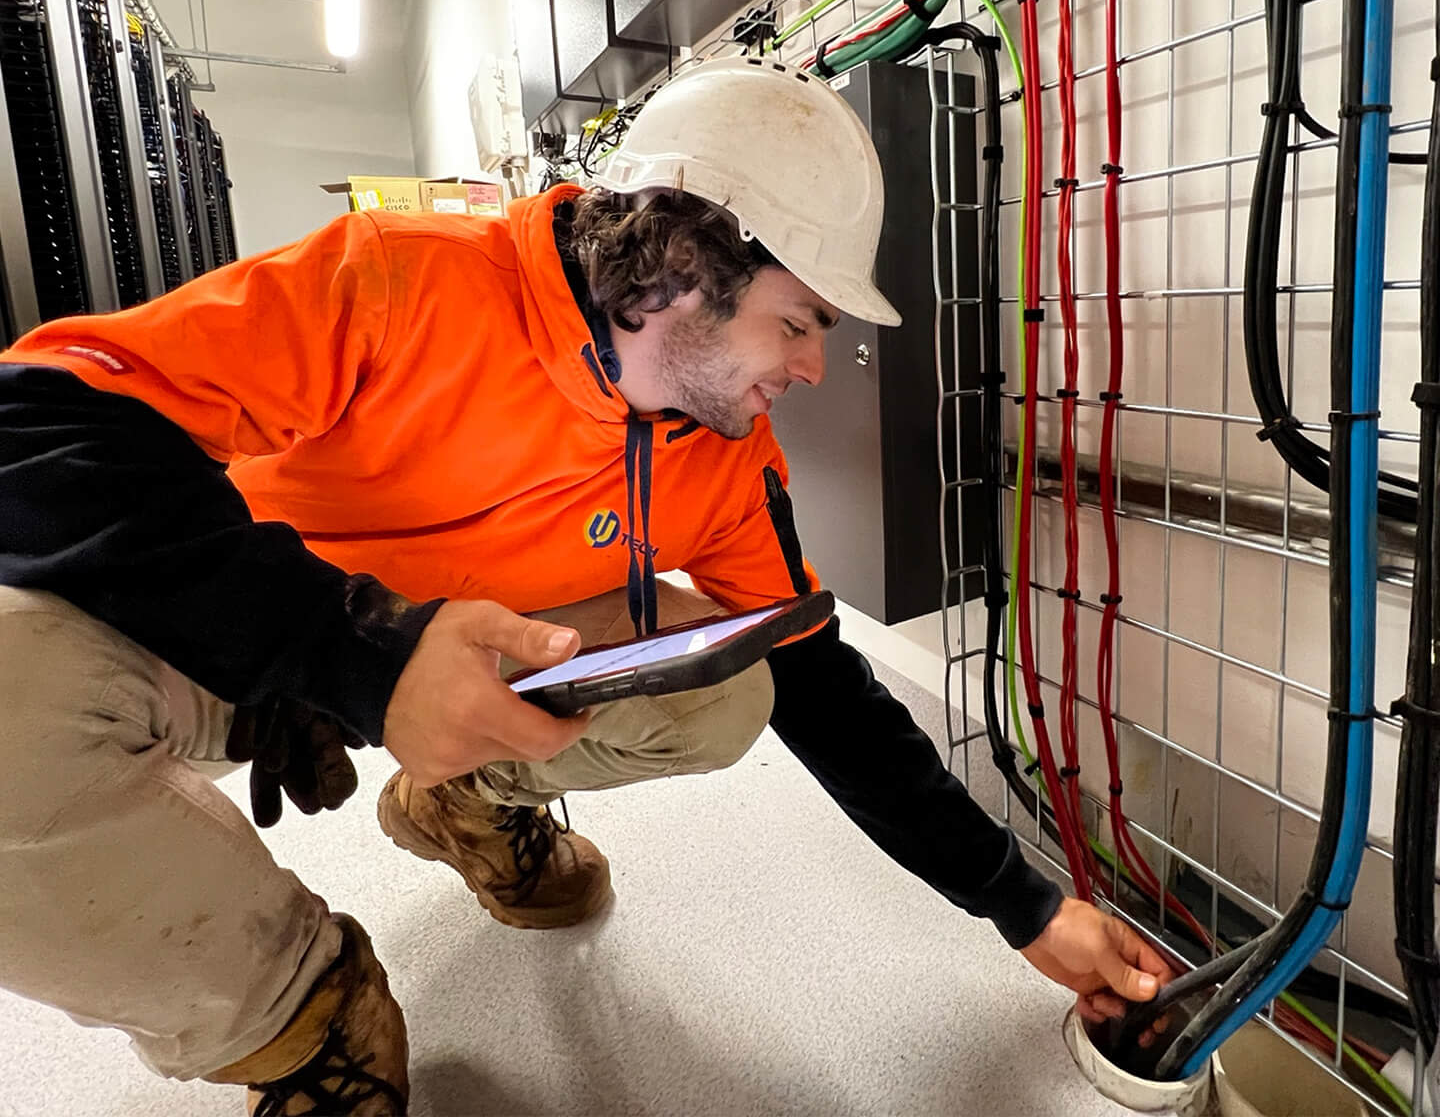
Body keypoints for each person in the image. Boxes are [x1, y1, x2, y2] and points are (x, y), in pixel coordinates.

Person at [0, 57, 1172, 1115]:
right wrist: (350, 657)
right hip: (246, 640)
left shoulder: (722, 454)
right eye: (801, 322)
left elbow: (821, 678)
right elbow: (33, 427)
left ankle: (466, 801)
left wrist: (1024, 905)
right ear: (686, 267)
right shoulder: (400, 282)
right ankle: (305, 1021)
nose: (817, 366)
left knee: (738, 680)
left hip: (450, 673)